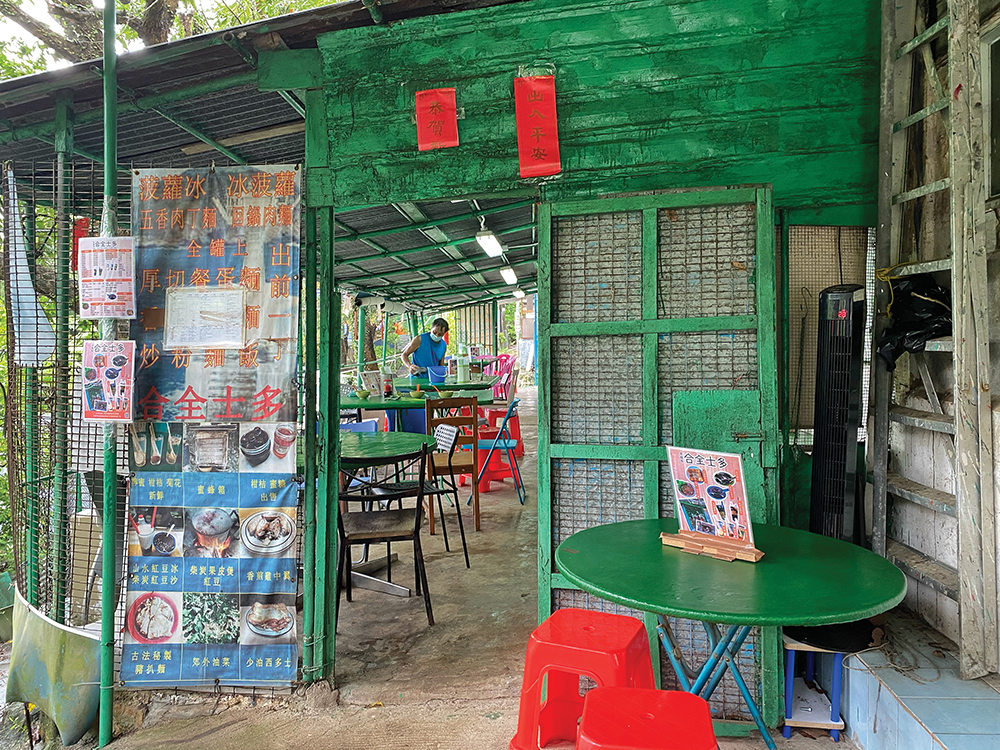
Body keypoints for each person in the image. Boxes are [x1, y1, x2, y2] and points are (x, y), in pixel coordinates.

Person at [391, 318, 449, 433]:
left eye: (440, 334)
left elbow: (440, 366)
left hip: (433, 384)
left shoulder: (443, 345)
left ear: (444, 334)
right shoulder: (420, 339)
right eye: (435, 332)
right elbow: (404, 355)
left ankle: (429, 436)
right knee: (417, 412)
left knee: (430, 413)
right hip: (416, 382)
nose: (437, 335)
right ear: (431, 329)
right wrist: (409, 366)